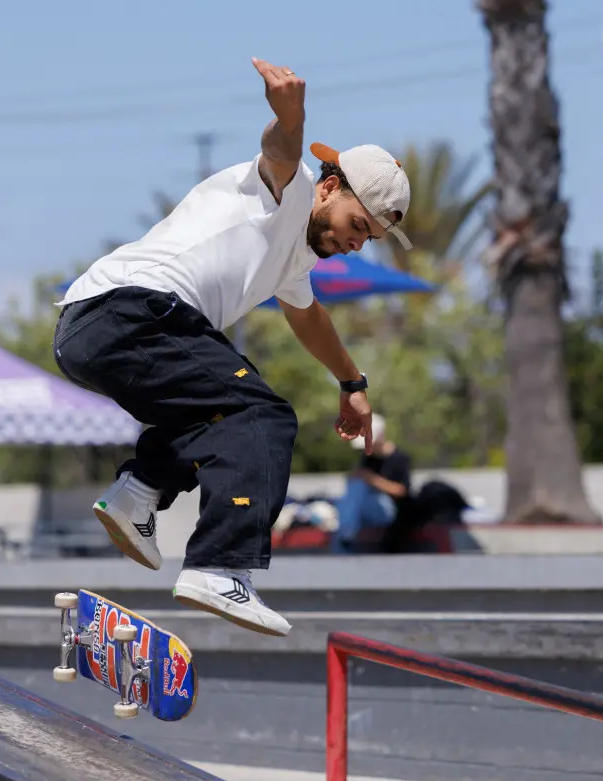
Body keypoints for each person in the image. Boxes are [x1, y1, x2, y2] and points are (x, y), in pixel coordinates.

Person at [51, 57, 412, 638]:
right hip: (135, 310)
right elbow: (281, 150)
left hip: (88, 328)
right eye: (356, 223)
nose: (354, 243)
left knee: (216, 411)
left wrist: (352, 383)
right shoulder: (286, 192)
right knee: (262, 416)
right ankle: (220, 566)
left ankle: (137, 493)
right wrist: (289, 112)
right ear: (329, 187)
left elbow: (309, 316)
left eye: (366, 237)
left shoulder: (293, 256)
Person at [330, 414, 412, 554]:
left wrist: (372, 480)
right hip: (365, 507)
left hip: (389, 511)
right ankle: (346, 534)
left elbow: (402, 491)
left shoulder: (399, 458)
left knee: (358, 488)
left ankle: (346, 533)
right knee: (354, 489)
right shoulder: (367, 458)